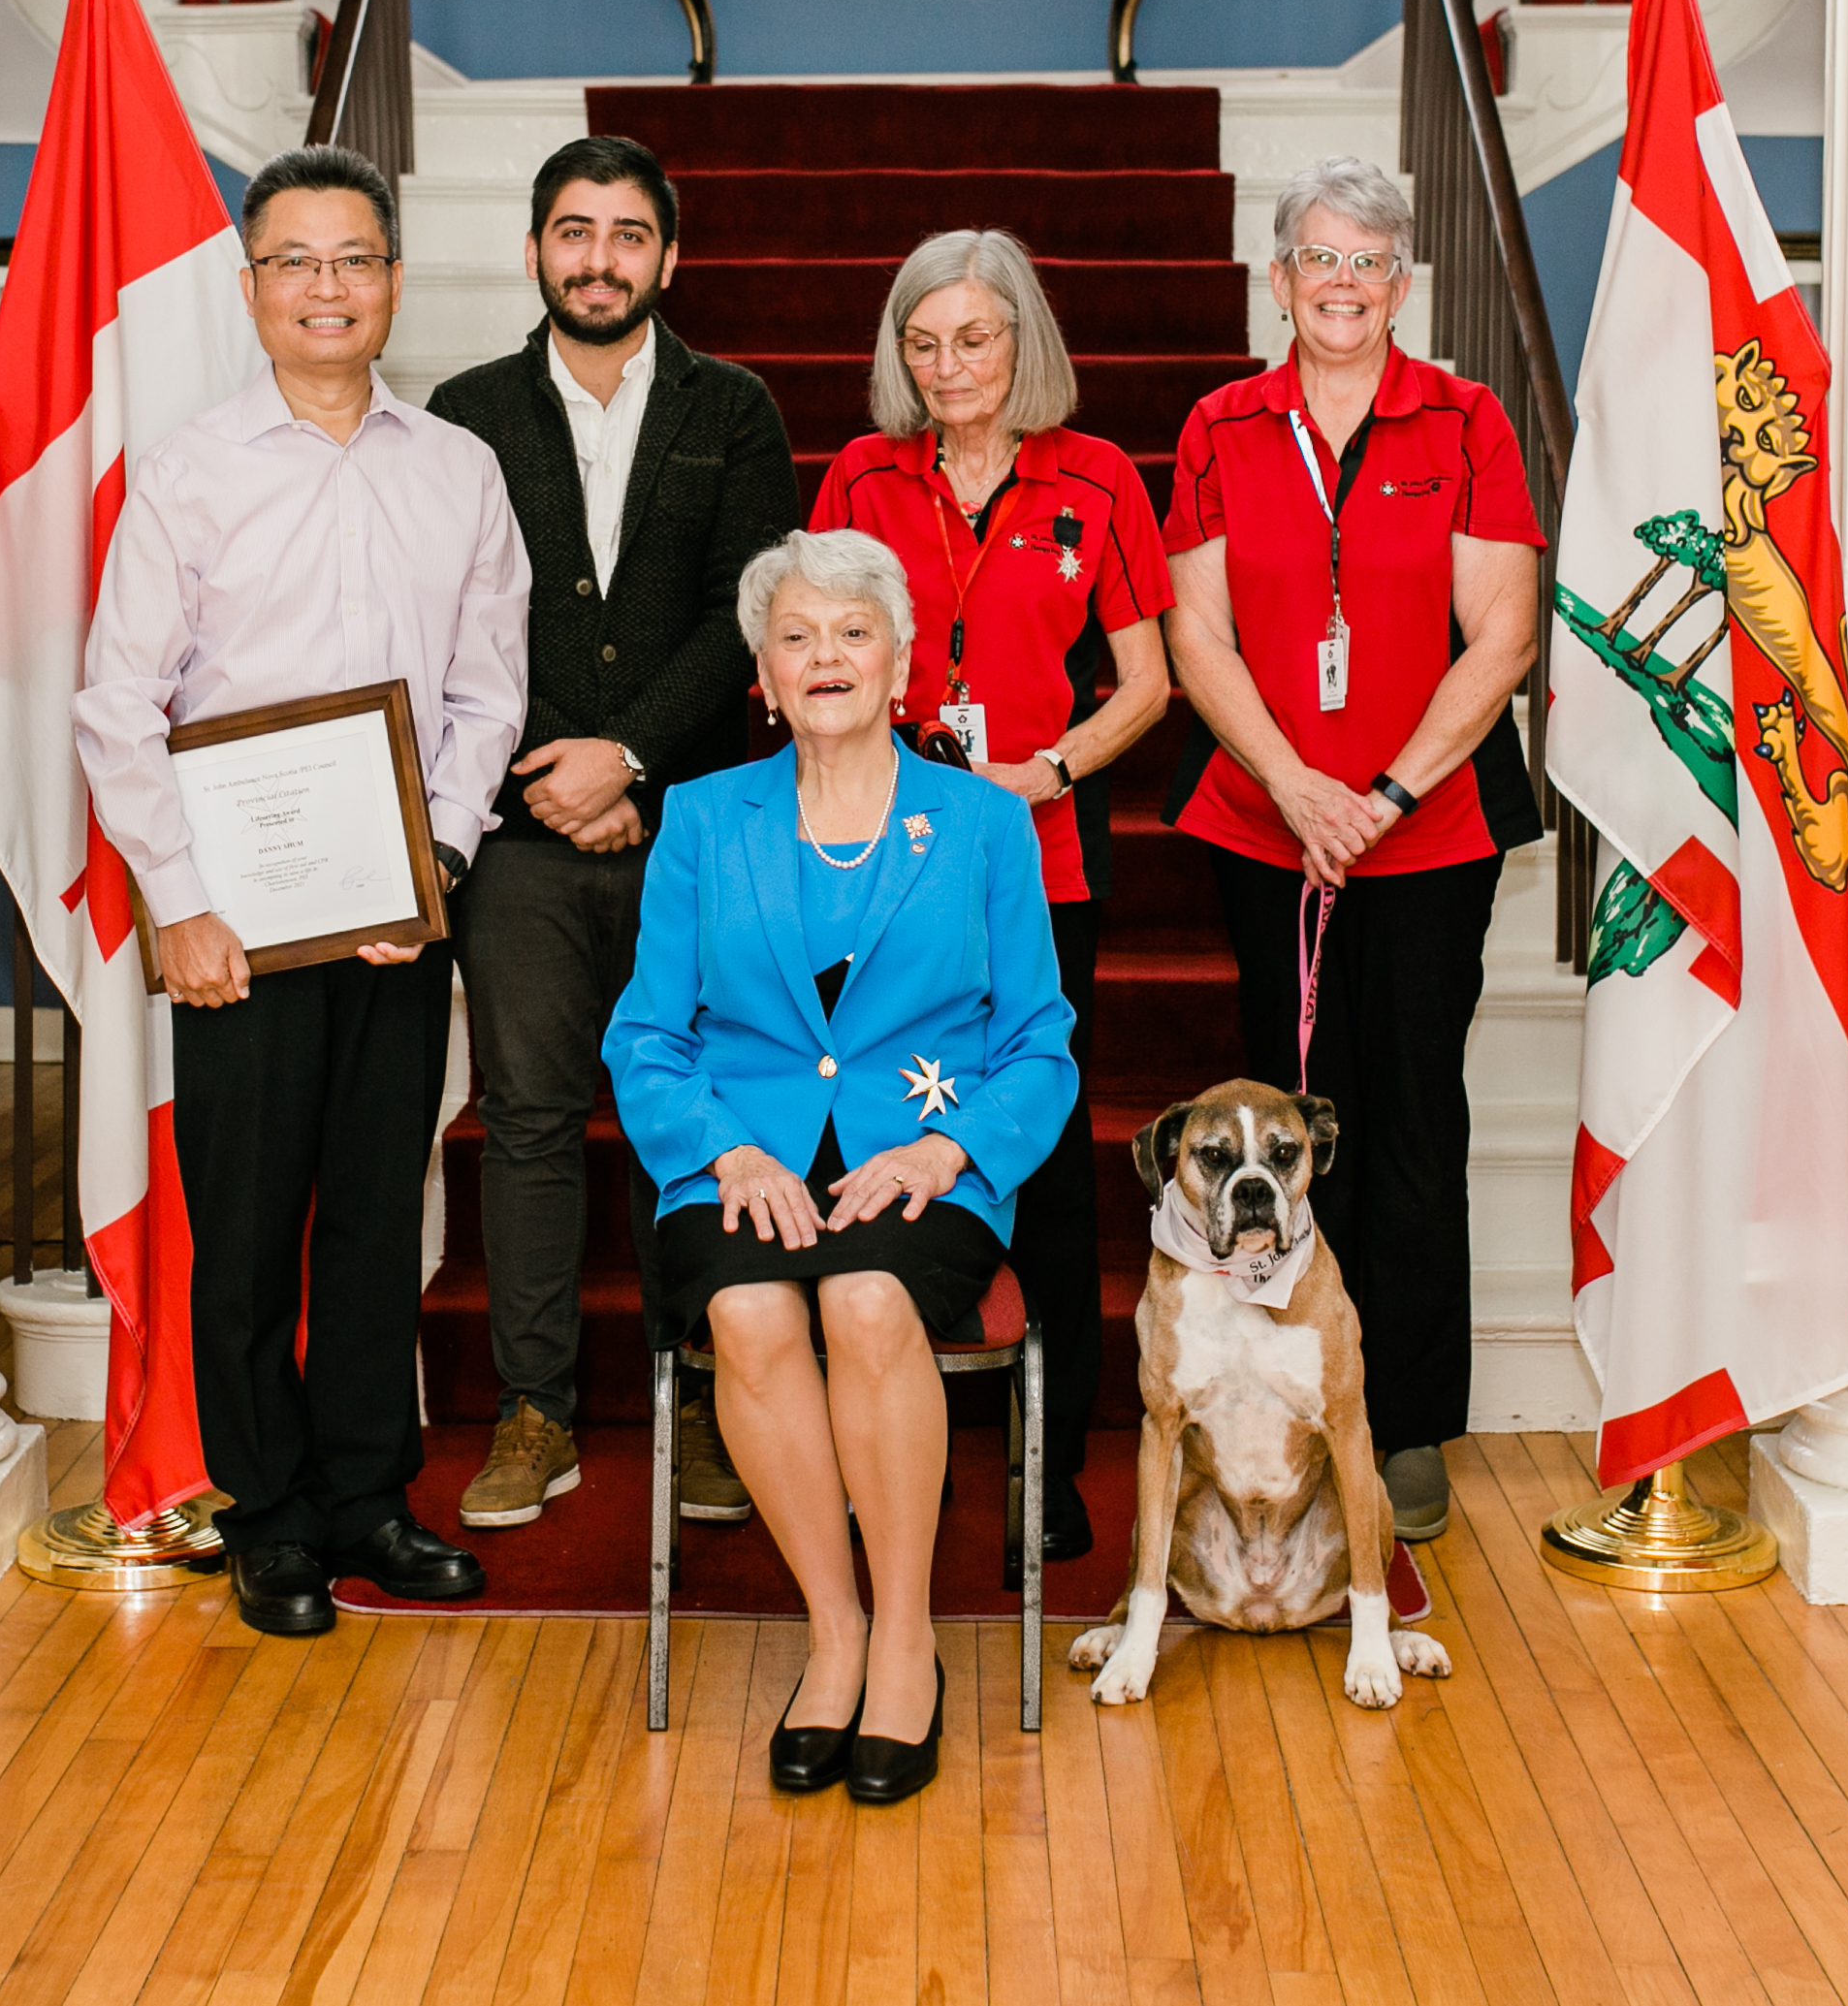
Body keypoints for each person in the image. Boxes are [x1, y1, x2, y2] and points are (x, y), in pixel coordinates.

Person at [75, 143, 529, 1638]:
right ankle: (266, 1513)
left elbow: (484, 695)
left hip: (400, 915)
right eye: (296, 262)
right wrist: (185, 902)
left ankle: (366, 1496)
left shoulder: (458, 471)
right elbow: (115, 705)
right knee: (253, 1225)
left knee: (372, 1221)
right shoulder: (191, 471)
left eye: (354, 259)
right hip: (238, 933)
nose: (326, 287)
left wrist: (442, 855)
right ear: (252, 286)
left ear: (393, 281)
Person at [607, 531, 1074, 1805]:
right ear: (760, 672)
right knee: (750, 1308)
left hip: (923, 1155)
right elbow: (645, 1035)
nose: (827, 657)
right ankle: (835, 1635)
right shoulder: (703, 819)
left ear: (901, 658)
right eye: (798, 637)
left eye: (852, 632)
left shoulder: (981, 822)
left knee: (865, 1300)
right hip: (739, 1151)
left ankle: (908, 1638)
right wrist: (721, 1145)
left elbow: (1040, 1040)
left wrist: (950, 1143)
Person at [1160, 156, 1544, 1544]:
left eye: (1369, 263)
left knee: (1409, 1112)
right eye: (1318, 258)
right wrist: (1294, 786)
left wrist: (1375, 791)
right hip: (1269, 828)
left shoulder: (1466, 418)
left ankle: (1408, 1416)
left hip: (1428, 825)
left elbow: (1501, 629)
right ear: (1278, 279)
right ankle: (1278, 1389)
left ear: (1399, 286)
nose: (1342, 282)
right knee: (1286, 1118)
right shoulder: (1218, 422)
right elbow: (1194, 634)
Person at [427, 136, 798, 1535]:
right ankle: (536, 1409)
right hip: (517, 829)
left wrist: (631, 754)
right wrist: (552, 772)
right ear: (532, 252)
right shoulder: (462, 411)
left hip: (691, 823)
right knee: (526, 1118)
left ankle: (706, 1393)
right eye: (572, 232)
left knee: (694, 1124)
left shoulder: (734, 407)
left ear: (666, 257)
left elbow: (744, 604)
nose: (598, 257)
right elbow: (452, 615)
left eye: (626, 233)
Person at [805, 228, 1170, 1560]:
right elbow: (815, 652)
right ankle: (860, 1449)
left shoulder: (1095, 479)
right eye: (921, 340)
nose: (947, 364)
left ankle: (1048, 1457)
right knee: (862, 1130)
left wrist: (1050, 767)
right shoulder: (858, 474)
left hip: (1037, 860)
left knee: (1037, 1154)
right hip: (872, 867)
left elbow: (1147, 681)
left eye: (973, 337)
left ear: (1023, 343)